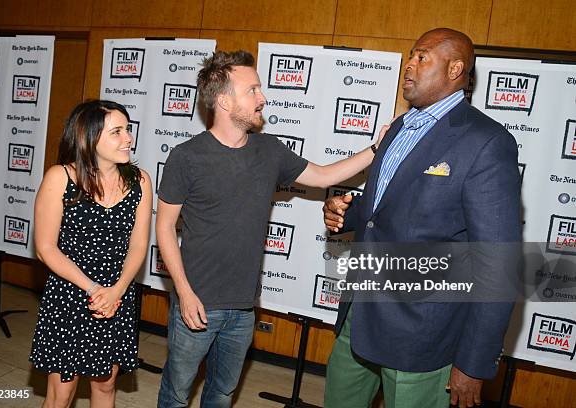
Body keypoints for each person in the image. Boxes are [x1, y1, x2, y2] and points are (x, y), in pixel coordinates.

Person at [156, 50, 387, 408]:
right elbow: (165, 227)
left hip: (244, 308)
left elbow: (324, 175)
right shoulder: (187, 157)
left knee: (222, 393)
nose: (263, 97)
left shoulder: (270, 150)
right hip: (196, 302)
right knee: (176, 392)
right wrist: (184, 293)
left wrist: (376, 149)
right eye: (252, 90)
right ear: (222, 100)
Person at [322, 28, 521, 408]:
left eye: (422, 57)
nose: (409, 65)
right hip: (359, 316)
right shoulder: (397, 127)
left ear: (455, 69)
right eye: (410, 56)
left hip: (421, 335)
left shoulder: (486, 142)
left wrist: (474, 363)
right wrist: (347, 213)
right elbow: (385, 210)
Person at [30, 100, 152, 408]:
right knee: (61, 394)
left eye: (128, 129)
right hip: (71, 294)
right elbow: (45, 248)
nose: (128, 139)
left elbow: (138, 246)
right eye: (117, 132)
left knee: (106, 386)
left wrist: (117, 291)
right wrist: (95, 289)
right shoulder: (60, 178)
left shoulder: (140, 181)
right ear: (89, 138)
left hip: (116, 295)